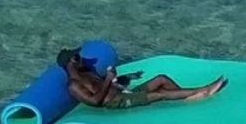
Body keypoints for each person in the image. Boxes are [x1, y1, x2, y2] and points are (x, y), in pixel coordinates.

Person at [60, 48, 225, 109]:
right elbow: (95, 101)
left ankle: (186, 97)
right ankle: (203, 90)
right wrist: (109, 79)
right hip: (118, 101)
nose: (82, 58)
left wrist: (126, 77)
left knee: (161, 79)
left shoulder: (87, 73)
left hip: (125, 92)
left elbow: (104, 83)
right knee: (160, 94)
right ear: (72, 61)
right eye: (78, 56)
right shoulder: (73, 86)